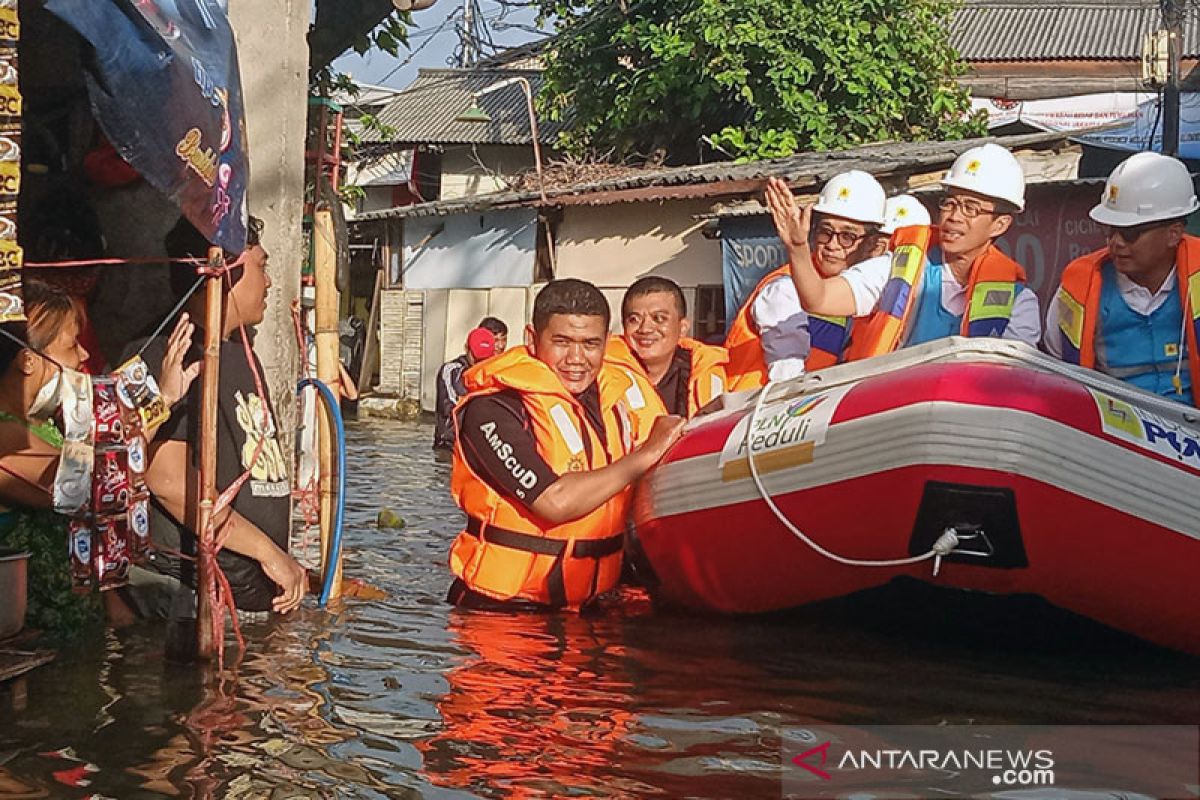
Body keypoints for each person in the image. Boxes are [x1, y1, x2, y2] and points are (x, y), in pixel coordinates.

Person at [447, 278, 685, 611]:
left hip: (589, 605)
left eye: (590, 343)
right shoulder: (490, 410)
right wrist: (646, 454)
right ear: (532, 340)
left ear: (606, 343)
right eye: (561, 341)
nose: (576, 357)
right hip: (505, 610)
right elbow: (553, 501)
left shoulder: (616, 401)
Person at [121, 215, 306, 624]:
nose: (270, 282)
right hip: (189, 596)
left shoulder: (242, 353)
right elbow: (167, 481)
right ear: (227, 271)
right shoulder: (166, 357)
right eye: (262, 265)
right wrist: (266, 551)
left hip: (248, 594)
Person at [0, 280, 197, 632]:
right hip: (34, 633)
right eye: (71, 345)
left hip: (77, 624)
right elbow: (92, 484)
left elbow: (90, 521)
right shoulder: (6, 436)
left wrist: (114, 607)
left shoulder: (48, 425)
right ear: (28, 361)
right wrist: (160, 403)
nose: (84, 356)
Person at [765, 143, 1041, 359]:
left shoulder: (1019, 302)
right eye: (950, 203)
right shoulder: (896, 269)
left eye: (970, 208)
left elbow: (1011, 381)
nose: (955, 216)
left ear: (1000, 224)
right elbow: (820, 299)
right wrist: (799, 248)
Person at [1045, 152, 1200, 405]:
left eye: (1131, 233)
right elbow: (1056, 366)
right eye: (1109, 230)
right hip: (1115, 435)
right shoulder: (1078, 289)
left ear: (1174, 234)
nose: (1115, 242)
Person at [725, 170, 887, 390]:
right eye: (825, 232)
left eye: (847, 236)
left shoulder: (856, 294)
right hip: (758, 413)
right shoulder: (785, 288)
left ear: (873, 245)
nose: (832, 244)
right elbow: (786, 378)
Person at [606, 276, 728, 418]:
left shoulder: (709, 369)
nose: (645, 329)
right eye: (634, 319)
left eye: (659, 318)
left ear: (683, 328)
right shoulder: (603, 376)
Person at [433, 327, 497, 452]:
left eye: (484, 359)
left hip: (479, 448)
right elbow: (452, 405)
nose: (479, 363)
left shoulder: (495, 373)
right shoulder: (451, 370)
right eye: (476, 358)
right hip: (450, 446)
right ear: (466, 348)